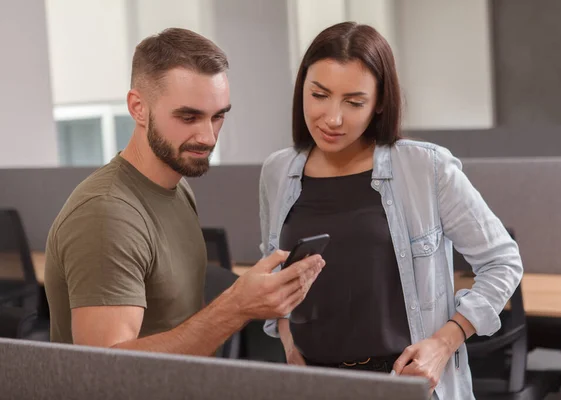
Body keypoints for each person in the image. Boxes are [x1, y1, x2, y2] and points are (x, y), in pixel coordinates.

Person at [259, 22, 523, 399]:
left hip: (404, 383)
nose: (332, 118)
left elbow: (503, 261)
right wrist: (287, 340)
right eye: (319, 95)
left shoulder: (425, 168)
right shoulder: (277, 171)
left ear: (380, 102)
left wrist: (445, 343)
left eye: (353, 102)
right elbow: (276, 269)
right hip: (313, 384)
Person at [44, 28, 325, 355]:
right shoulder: (107, 214)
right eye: (189, 116)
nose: (207, 137)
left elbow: (180, 318)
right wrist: (236, 307)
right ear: (138, 108)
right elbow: (108, 371)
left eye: (217, 116)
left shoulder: (178, 187)